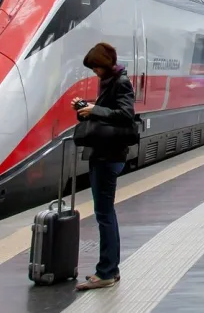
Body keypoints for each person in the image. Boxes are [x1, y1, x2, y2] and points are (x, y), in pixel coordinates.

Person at [76, 42, 137, 291]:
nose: (95, 72)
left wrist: (95, 110)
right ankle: (110, 269)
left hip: (109, 154)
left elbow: (125, 114)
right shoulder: (112, 80)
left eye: (96, 68)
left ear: (106, 64)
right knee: (105, 214)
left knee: (104, 215)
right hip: (105, 153)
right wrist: (88, 109)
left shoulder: (120, 81)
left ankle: (107, 272)